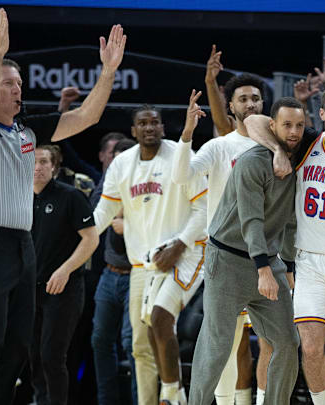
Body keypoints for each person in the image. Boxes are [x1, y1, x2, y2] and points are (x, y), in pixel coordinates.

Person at [0, 9, 126, 404]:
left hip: (22, 246)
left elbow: (87, 116)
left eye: (19, 83)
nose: (17, 89)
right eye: (9, 84)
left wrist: (109, 72)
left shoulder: (29, 129)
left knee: (17, 348)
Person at [245, 83, 325, 405]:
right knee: (311, 347)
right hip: (309, 262)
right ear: (323, 113)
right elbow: (253, 122)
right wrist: (276, 150)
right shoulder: (307, 143)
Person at [188, 97, 304, 405]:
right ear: (273, 125)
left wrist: (288, 266)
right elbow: (251, 220)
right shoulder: (253, 162)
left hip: (269, 259)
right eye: (286, 125)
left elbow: (291, 221)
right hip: (228, 259)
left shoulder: (300, 155)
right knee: (217, 346)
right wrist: (264, 269)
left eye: (299, 126)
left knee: (287, 342)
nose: (293, 132)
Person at [92, 102, 208, 405]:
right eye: (142, 123)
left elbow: (204, 208)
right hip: (143, 264)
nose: (149, 128)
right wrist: (82, 232)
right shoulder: (122, 164)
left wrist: (179, 244)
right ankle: (155, 399)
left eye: (154, 122)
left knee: (160, 318)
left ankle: (173, 393)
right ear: (133, 131)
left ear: (162, 127)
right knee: (140, 346)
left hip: (186, 252)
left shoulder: (181, 156)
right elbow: (105, 211)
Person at [172, 68, 268, 405]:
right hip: (226, 256)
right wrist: (187, 133)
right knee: (224, 341)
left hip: (268, 257)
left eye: (255, 97)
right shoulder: (219, 146)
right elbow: (182, 177)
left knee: (271, 341)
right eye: (243, 98)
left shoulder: (279, 143)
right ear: (231, 107)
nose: (251, 103)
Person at [30, 144, 99, 405]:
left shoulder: (71, 197)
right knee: (34, 355)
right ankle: (40, 400)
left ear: (55, 167)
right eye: (33, 161)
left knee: (51, 355)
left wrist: (65, 270)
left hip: (64, 288)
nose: (38, 167)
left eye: (44, 161)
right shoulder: (20, 197)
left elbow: (90, 240)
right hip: (30, 288)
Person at [91, 137, 138, 405]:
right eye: (115, 162)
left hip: (137, 274)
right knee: (99, 340)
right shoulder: (109, 188)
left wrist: (128, 224)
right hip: (109, 274)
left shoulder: (145, 190)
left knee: (132, 345)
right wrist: (110, 176)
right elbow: (93, 213)